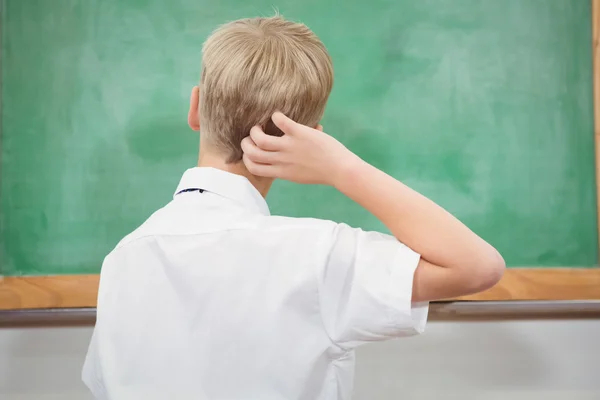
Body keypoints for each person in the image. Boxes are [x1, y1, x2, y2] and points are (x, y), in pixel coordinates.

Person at [83, 15, 505, 400]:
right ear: (311, 137)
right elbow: (477, 266)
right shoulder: (315, 256)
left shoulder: (124, 259)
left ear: (195, 109)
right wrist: (343, 168)